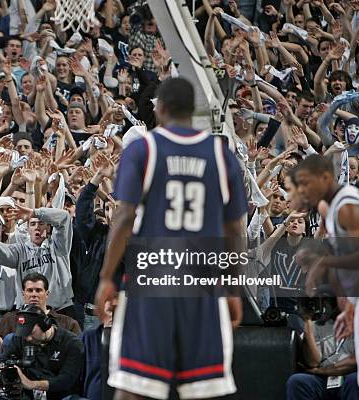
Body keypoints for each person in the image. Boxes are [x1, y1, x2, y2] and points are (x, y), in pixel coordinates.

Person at [95, 77, 247, 400]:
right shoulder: (221, 156)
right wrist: (234, 288)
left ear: (160, 108)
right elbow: (236, 231)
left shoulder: (143, 149)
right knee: (204, 389)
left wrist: (108, 276)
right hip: (202, 281)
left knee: (134, 386)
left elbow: (123, 217)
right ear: (193, 111)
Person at [295, 155, 359, 400]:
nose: (302, 190)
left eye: (306, 183)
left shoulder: (347, 207)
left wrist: (324, 262)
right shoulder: (331, 210)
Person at [0, 304, 84, 400]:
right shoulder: (20, 339)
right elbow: (2, 360)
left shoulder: (71, 343)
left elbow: (66, 381)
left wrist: (30, 384)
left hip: (61, 395)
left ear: (45, 325)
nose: (28, 338)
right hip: (27, 395)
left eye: (31, 332)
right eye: (24, 333)